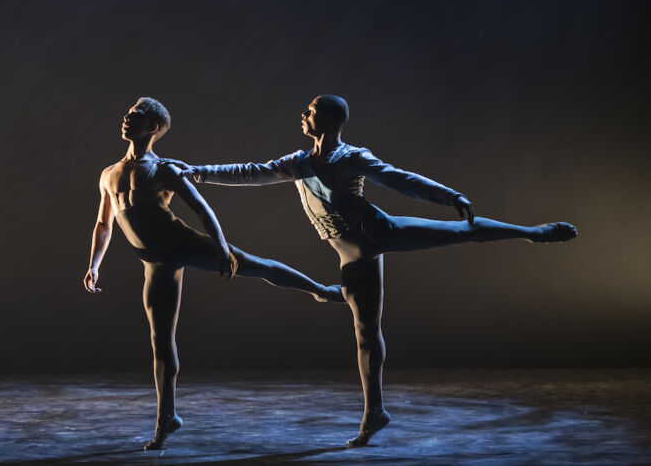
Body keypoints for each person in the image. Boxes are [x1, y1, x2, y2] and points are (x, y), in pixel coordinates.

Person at [178, 94, 578, 446]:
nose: (304, 113)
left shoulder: (351, 157)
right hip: (352, 257)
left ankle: (534, 232)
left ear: (331, 121)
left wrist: (446, 194)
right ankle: (375, 412)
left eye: (312, 110)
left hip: (379, 233)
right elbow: (248, 172)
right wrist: (198, 172)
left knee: (460, 231)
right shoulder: (297, 163)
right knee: (365, 333)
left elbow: (399, 180)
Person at [83, 97, 344, 450]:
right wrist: (94, 264)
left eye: (136, 116)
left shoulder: (164, 170)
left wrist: (221, 247)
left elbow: (202, 209)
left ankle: (319, 289)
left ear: (152, 128)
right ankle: (167, 418)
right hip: (155, 262)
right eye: (127, 114)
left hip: (183, 244)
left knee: (255, 265)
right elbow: (104, 223)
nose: (126, 119)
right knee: (160, 341)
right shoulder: (107, 174)